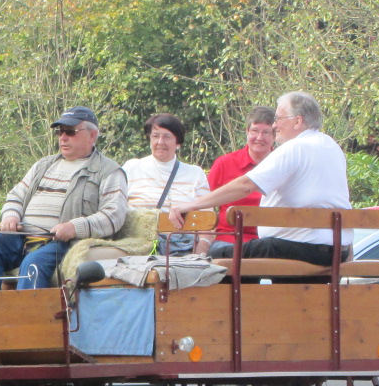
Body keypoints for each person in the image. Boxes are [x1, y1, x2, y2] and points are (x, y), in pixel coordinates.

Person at [171, 91, 351, 265]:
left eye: (278, 118)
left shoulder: (295, 147)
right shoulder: (331, 146)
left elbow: (245, 185)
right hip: (335, 252)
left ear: (297, 121)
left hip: (298, 249)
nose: (275, 125)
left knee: (214, 256)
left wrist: (190, 205)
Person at [0, 106, 129, 290]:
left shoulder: (109, 171)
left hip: (62, 244)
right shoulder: (43, 164)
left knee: (33, 263)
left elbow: (113, 216)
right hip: (21, 239)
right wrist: (11, 216)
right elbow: (16, 196)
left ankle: (29, 309)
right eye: (60, 132)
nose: (63, 137)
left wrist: (74, 227)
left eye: (70, 132)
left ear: (92, 135)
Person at [122, 113, 211, 254]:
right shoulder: (131, 168)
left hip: (184, 248)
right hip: (139, 247)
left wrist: (201, 250)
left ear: (178, 142)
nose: (160, 142)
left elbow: (208, 220)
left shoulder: (195, 173)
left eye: (167, 136)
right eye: (155, 136)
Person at [207, 106, 276, 253]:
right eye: (255, 131)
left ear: (275, 136)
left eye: (266, 132)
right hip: (229, 240)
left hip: (271, 242)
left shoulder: (284, 166)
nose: (259, 137)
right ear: (247, 132)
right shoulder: (224, 164)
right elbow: (204, 202)